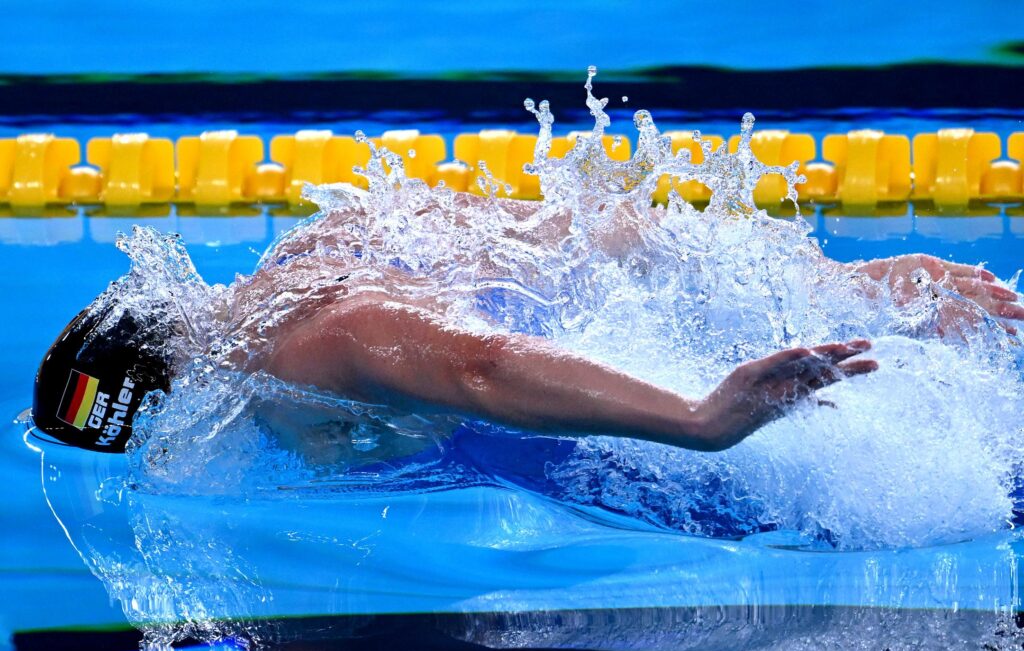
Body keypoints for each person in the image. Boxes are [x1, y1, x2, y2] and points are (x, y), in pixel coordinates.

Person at [32, 197, 1023, 455]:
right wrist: (823, 280)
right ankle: (875, 290)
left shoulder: (309, 344)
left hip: (628, 383)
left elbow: (481, 364)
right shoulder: (312, 247)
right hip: (635, 300)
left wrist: (696, 417)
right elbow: (580, 227)